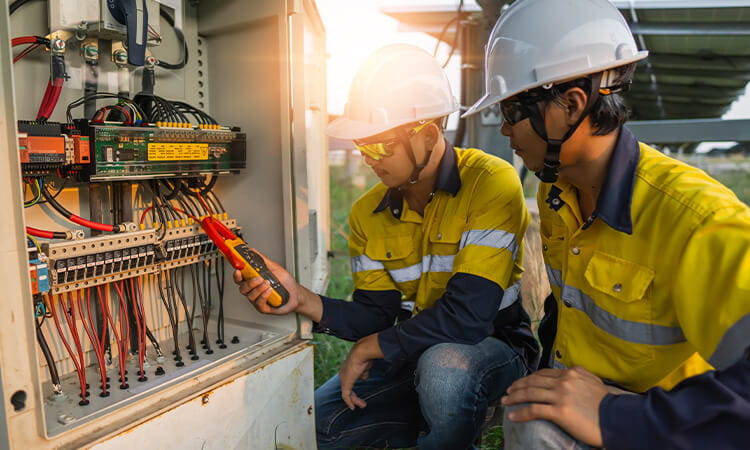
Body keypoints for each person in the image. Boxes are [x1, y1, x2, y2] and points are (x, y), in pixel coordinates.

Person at [462, 0, 750, 448]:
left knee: (534, 427)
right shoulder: (556, 192)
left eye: (513, 112)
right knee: (528, 411)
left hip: (669, 423)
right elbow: (567, 309)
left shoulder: (697, 219)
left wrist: (618, 416)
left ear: (571, 104)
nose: (504, 130)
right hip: (598, 397)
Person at [233, 44, 538, 449]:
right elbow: (376, 316)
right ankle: (425, 422)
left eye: (380, 146)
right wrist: (302, 298)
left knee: (445, 370)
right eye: (363, 147)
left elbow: (470, 317)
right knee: (319, 428)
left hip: (493, 348)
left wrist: (374, 347)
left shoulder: (490, 183)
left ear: (428, 135)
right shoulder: (367, 213)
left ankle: (456, 426)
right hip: (414, 349)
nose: (370, 160)